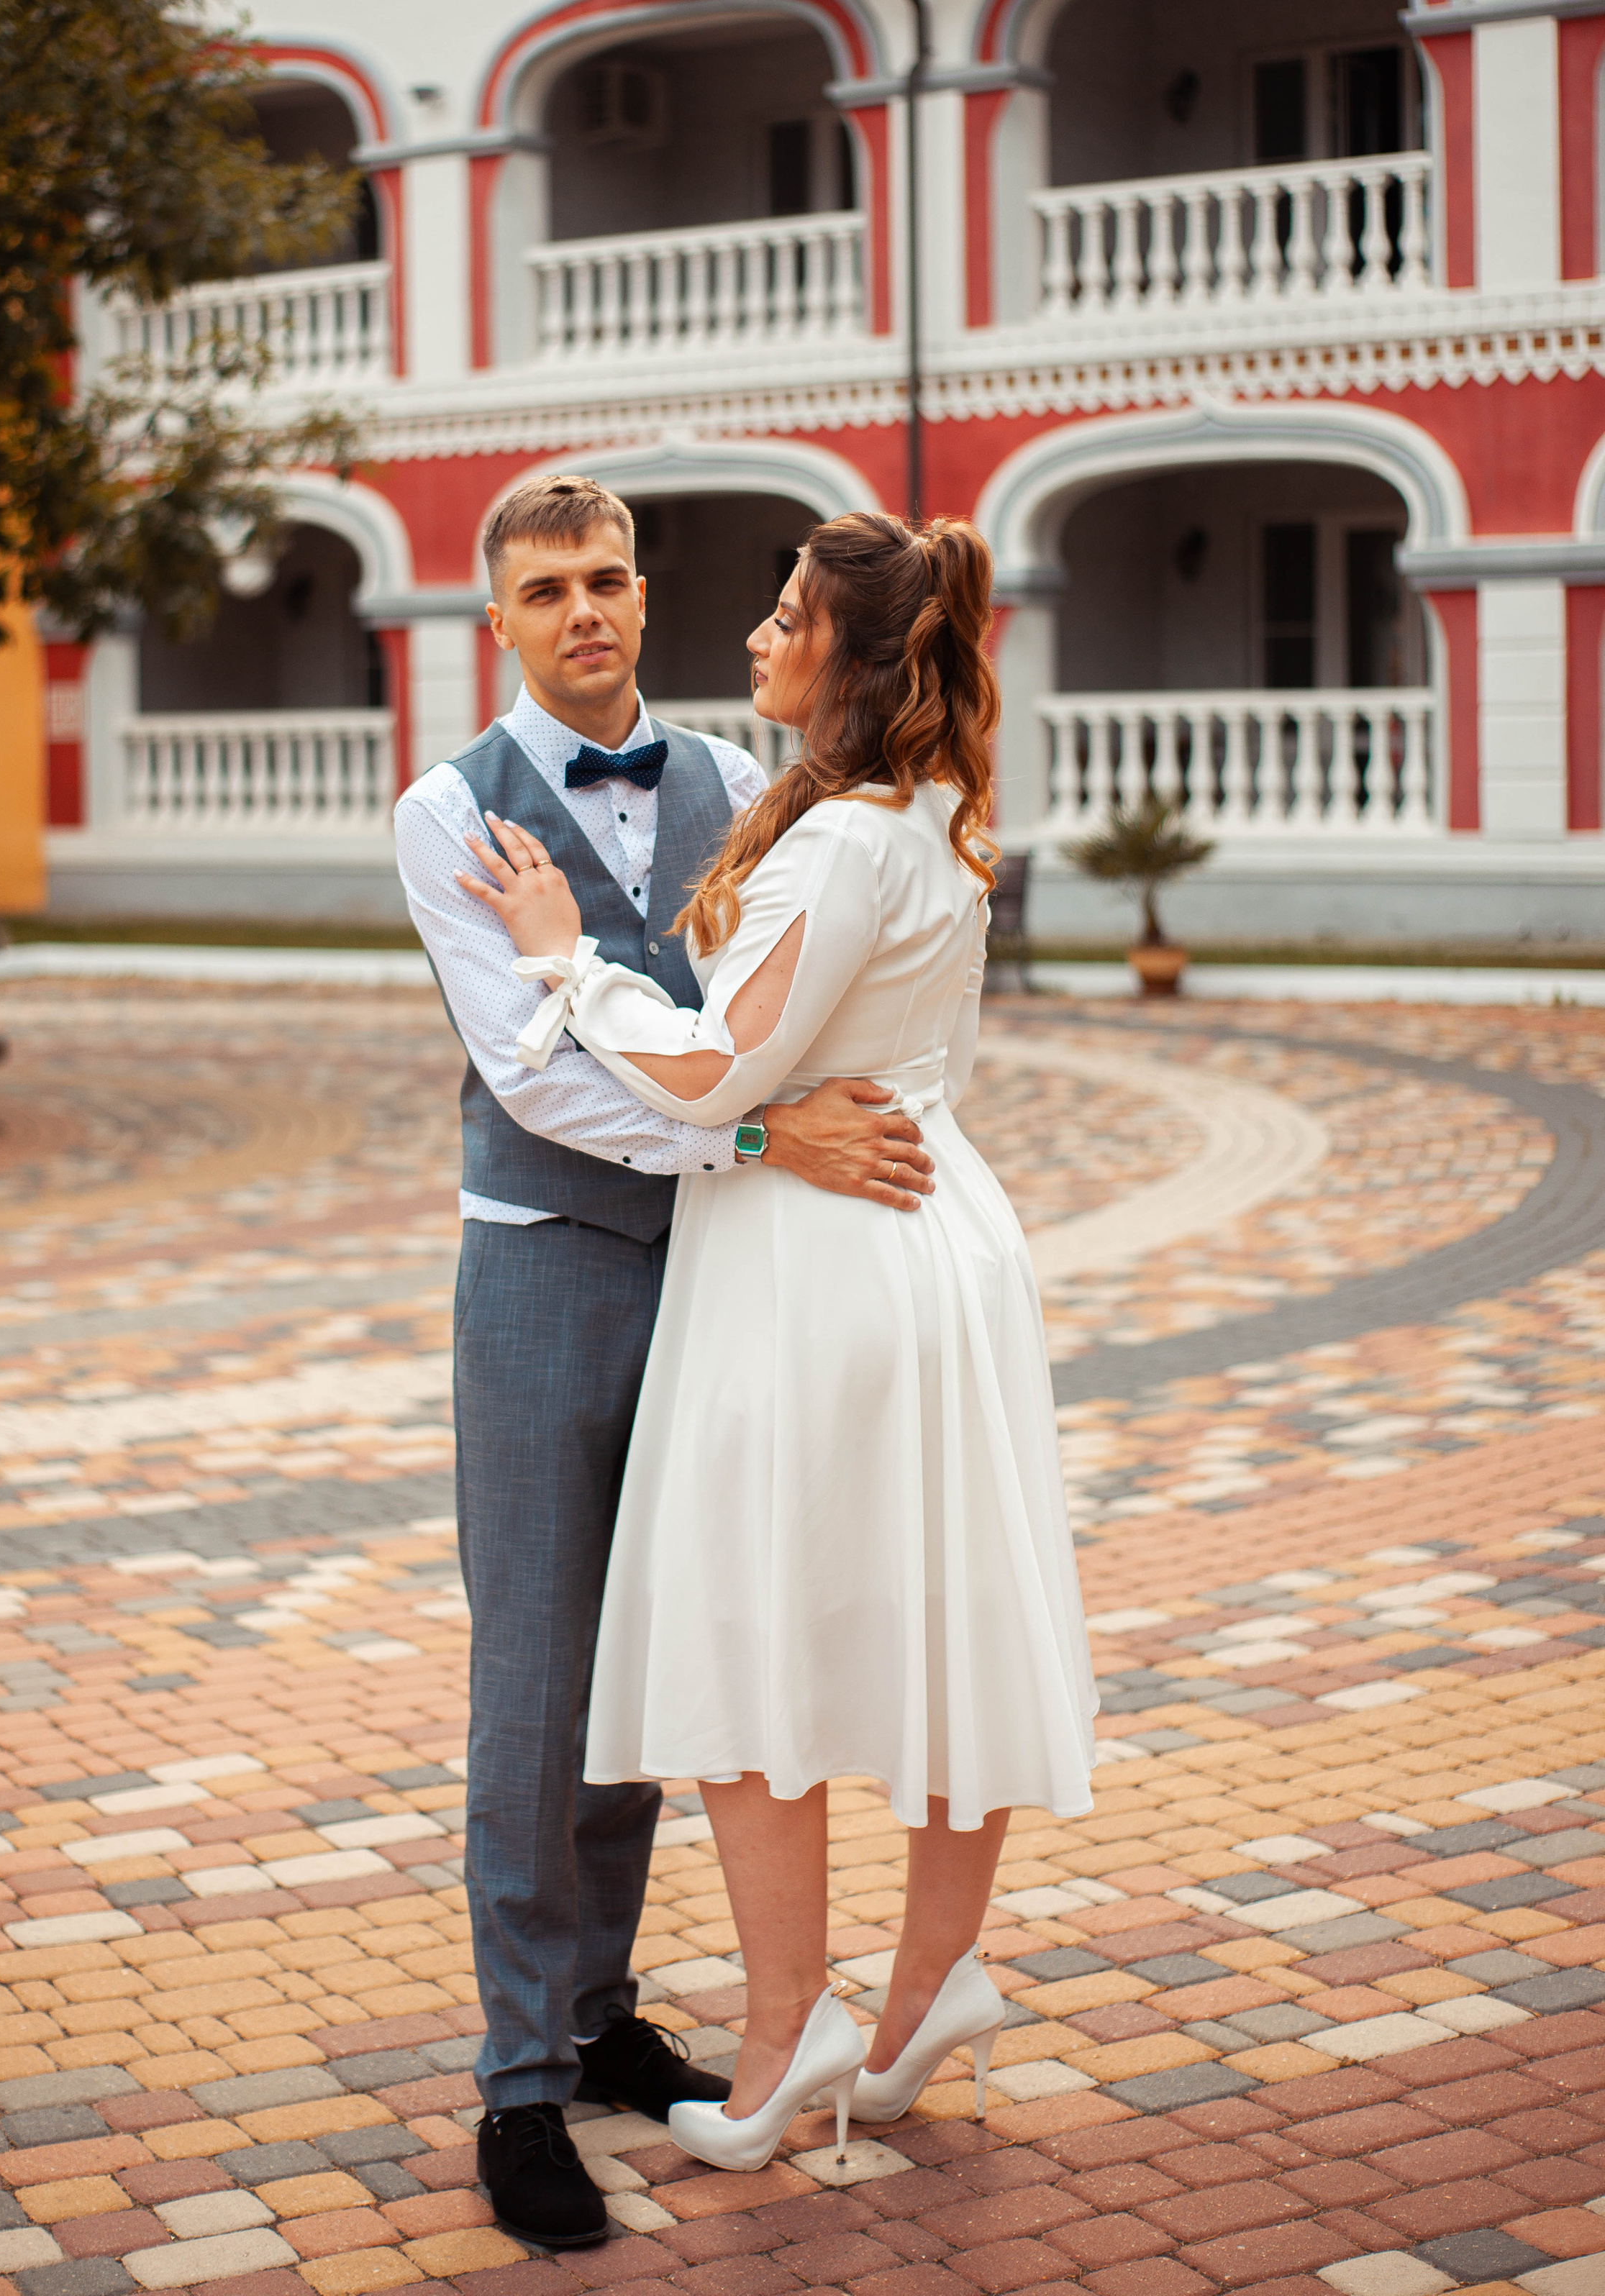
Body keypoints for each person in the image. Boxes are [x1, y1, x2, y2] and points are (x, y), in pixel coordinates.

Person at [459, 509, 1097, 2177]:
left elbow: (703, 1077)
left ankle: (781, 2040)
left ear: (847, 655)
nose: (754, 635)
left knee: (752, 1637)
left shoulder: (818, 835)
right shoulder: (942, 808)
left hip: (817, 1262)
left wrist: (565, 966)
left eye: (787, 612)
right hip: (937, 1224)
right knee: (934, 1616)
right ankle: (929, 1985)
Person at [394, 477, 941, 2249]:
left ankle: (602, 2006)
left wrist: (766, 1132)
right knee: (537, 1686)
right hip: (547, 1272)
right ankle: (516, 2083)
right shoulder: (447, 814)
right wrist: (768, 1145)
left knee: (656, 1663)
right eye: (545, 590)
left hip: (720, 1276)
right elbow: (540, 1074)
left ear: (646, 594)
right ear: (499, 621)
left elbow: (765, 1021)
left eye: (610, 580)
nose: (585, 613)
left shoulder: (735, 777)